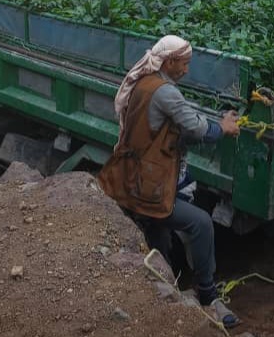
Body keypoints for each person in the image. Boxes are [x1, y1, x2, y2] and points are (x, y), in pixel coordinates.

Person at [97, 35, 241, 326]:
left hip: (132, 176)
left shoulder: (146, 81)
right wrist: (222, 127)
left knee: (158, 236)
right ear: (171, 61)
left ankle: (162, 288)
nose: (187, 70)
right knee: (200, 223)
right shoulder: (165, 92)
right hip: (147, 186)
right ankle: (207, 294)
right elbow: (197, 129)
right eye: (185, 64)